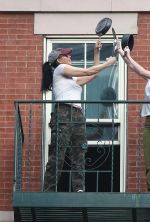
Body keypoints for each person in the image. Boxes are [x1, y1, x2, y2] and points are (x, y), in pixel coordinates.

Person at [41, 40, 116, 192]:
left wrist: (96, 53)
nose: (70, 57)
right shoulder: (60, 69)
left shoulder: (71, 79)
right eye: (67, 55)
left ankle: (79, 189)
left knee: (79, 153)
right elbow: (86, 71)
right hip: (63, 112)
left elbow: (93, 74)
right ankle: (48, 190)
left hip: (77, 114)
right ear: (59, 59)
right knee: (59, 154)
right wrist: (108, 63)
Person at [117, 44, 150, 191]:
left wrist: (129, 55)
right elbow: (135, 69)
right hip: (149, 122)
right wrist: (123, 56)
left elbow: (142, 70)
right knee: (148, 161)